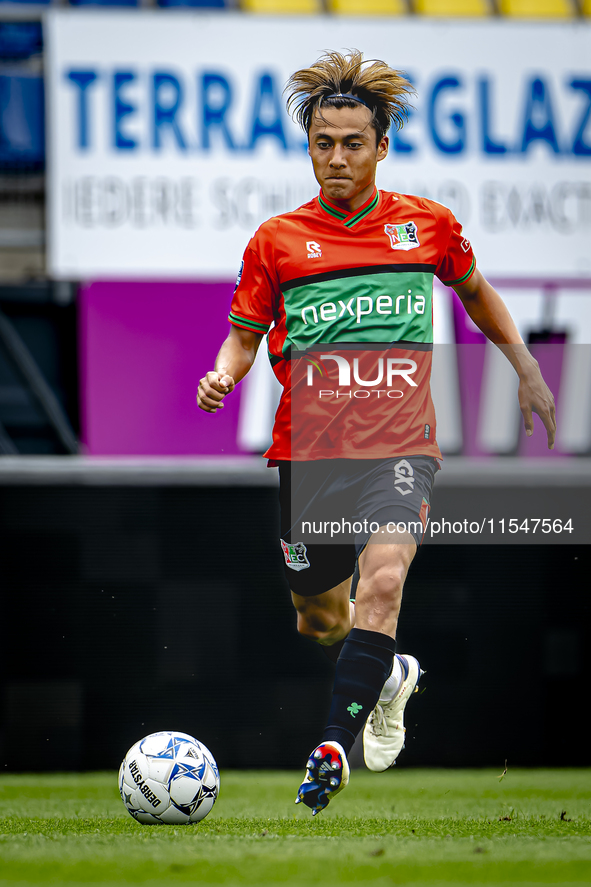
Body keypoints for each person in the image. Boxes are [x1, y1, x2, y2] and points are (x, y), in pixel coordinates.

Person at [197, 50, 556, 815]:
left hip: (400, 448)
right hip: (308, 456)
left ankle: (331, 745)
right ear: (307, 147)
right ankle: (388, 674)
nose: (336, 156)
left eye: (351, 142)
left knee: (384, 582)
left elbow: (476, 292)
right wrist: (226, 371)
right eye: (323, 142)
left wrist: (521, 361)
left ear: (380, 146)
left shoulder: (425, 225)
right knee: (319, 619)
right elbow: (243, 336)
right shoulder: (276, 241)